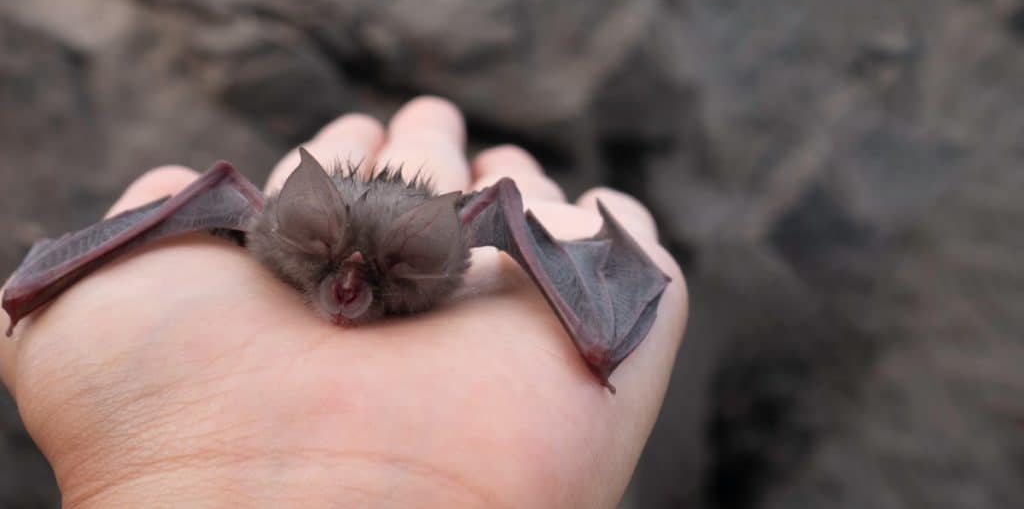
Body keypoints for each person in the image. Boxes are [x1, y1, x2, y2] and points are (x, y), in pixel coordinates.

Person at [0, 96, 688, 508]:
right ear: (293, 236)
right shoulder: (266, 227)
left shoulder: (465, 243)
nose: (349, 290)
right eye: (335, 273)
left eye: (369, 280)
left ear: (434, 257)